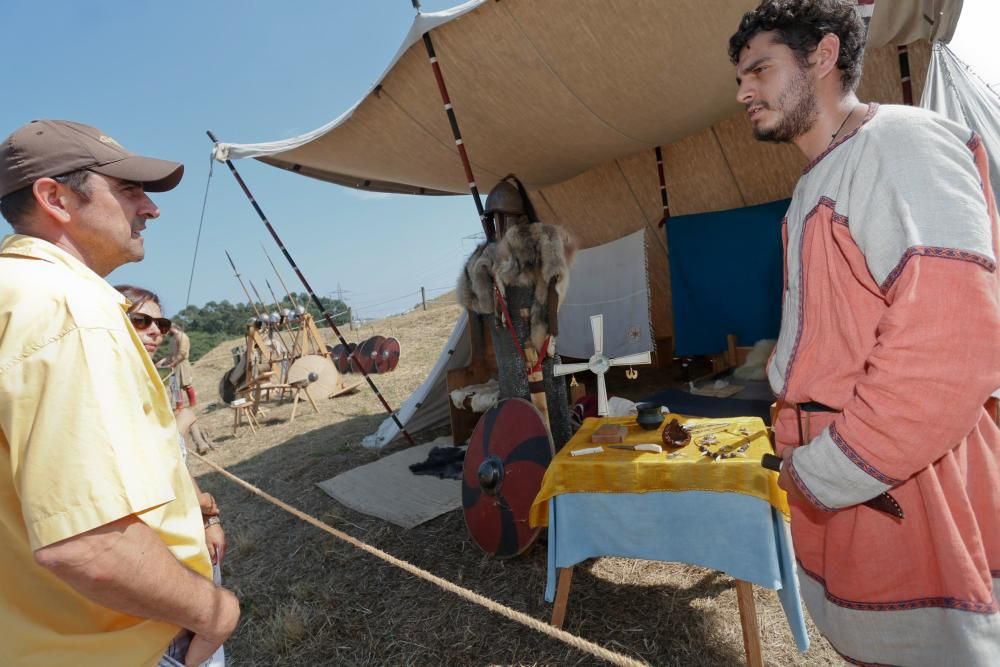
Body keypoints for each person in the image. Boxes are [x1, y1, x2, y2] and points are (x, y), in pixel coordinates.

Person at [729, 2, 1000, 664]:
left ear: (823, 56)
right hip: (862, 485)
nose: (742, 92)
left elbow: (947, 354)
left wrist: (827, 468)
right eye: (740, 77)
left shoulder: (901, 144)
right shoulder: (815, 180)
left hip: (910, 483)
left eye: (759, 69)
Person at [0, 119, 239, 667]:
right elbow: (88, 544)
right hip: (126, 643)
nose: (150, 209)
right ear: (54, 197)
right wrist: (214, 611)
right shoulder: (66, 311)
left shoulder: (17, 297)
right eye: (129, 190)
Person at [160, 323, 197, 410]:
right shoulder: (173, 338)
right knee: (174, 385)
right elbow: (172, 353)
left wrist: (173, 363)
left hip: (182, 364)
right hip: (174, 364)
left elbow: (182, 353)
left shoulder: (182, 337)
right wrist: (163, 362)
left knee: (186, 384)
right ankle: (179, 406)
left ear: (171, 328)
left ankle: (193, 404)